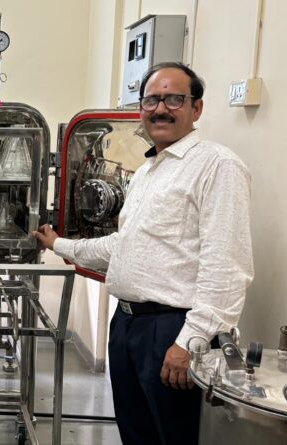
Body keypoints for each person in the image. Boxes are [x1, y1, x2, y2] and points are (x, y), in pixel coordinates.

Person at [33, 62, 254, 445]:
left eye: (174, 99)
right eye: (151, 99)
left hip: (172, 328)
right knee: (137, 435)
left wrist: (190, 342)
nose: (160, 108)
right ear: (141, 109)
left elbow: (227, 268)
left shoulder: (217, 166)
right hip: (128, 326)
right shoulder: (148, 171)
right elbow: (122, 245)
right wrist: (60, 245)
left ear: (196, 109)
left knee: (175, 436)